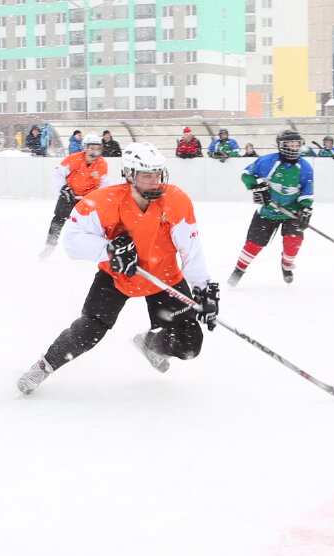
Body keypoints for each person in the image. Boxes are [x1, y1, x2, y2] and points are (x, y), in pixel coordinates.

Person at [16, 142, 217, 395]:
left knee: (189, 345)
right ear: (130, 175)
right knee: (89, 331)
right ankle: (45, 366)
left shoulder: (176, 200)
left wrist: (203, 290)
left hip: (163, 276)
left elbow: (192, 249)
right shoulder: (105, 201)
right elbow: (72, 241)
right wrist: (110, 251)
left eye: (157, 174)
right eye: (146, 175)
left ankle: (150, 344)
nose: (154, 181)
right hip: (117, 276)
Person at [231, 129, 314, 285]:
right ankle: (238, 270)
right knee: (253, 245)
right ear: (281, 146)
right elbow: (246, 174)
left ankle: (287, 265)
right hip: (267, 211)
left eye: (297, 144)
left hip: (291, 212)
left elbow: (307, 192)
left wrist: (305, 209)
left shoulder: (305, 167)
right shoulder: (268, 161)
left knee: (293, 241)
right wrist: (257, 187)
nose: (294, 147)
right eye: (290, 144)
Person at [42, 135, 110, 257]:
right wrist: (63, 189)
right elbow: (58, 173)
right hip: (69, 195)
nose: (94, 151)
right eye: (91, 148)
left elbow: (104, 183)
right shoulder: (74, 159)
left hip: (88, 199)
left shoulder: (102, 164)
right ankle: (50, 245)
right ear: (85, 148)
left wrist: (99, 196)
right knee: (58, 219)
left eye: (97, 148)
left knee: (92, 224)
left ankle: (92, 250)